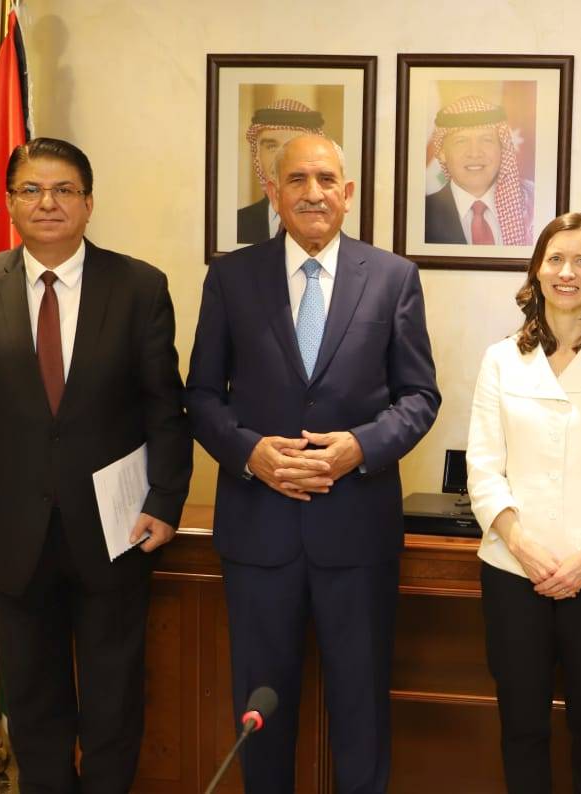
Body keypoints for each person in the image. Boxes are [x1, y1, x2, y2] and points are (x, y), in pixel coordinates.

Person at [0, 137, 193, 793]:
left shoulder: (138, 288)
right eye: (32, 189)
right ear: (10, 203)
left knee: (113, 700)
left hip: (115, 529)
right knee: (33, 704)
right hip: (12, 534)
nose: (48, 202)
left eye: (64, 190)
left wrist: (165, 500)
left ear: (88, 202)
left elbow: (166, 408)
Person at [186, 132, 440, 793]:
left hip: (356, 533)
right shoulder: (231, 278)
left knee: (361, 709)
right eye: (296, 179)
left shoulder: (392, 278)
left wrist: (360, 447)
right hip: (259, 532)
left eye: (327, 180)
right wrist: (251, 453)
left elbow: (420, 397)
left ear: (348, 193)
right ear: (273, 192)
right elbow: (202, 396)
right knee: (260, 711)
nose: (313, 193)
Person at [466, 211, 581, 793]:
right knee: (522, 726)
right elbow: (483, 467)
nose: (566, 272)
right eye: (555, 259)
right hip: (513, 572)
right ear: (537, 271)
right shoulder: (502, 359)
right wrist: (523, 548)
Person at [425, 94, 534, 246]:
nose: (475, 153)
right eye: (461, 141)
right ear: (442, 152)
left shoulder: (531, 207)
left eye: (486, 140)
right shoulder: (422, 214)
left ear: (502, 148)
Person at [237, 98, 325, 244]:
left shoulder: (329, 221)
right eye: (271, 147)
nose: (280, 160)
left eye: (292, 147)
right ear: (257, 155)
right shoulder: (238, 223)